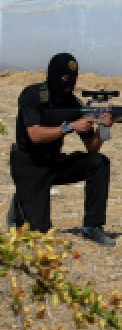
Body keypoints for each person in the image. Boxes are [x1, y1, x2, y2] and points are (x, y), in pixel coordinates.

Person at [8, 53, 116, 246]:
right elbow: (35, 135)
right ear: (52, 75)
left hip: (54, 162)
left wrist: (103, 127)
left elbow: (92, 147)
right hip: (29, 165)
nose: (69, 85)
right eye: (65, 79)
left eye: (73, 79)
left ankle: (93, 226)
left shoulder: (72, 103)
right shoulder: (32, 95)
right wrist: (70, 127)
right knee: (39, 233)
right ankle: (20, 204)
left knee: (98, 163)